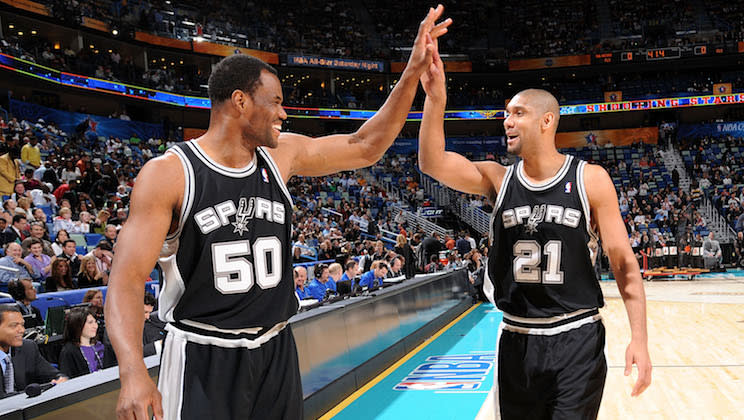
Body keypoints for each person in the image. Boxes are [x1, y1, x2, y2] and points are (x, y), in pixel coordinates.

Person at [106, 8, 451, 420]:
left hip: (277, 348)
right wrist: (133, 372)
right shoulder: (170, 174)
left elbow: (365, 145)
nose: (284, 113)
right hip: (204, 354)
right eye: (276, 102)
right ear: (240, 102)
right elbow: (125, 281)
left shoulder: (280, 155)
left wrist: (411, 71)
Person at [417, 59, 651, 418]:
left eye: (518, 113)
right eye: (506, 113)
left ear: (547, 121)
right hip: (517, 339)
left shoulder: (590, 179)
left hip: (577, 336)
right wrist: (435, 98)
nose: (507, 121)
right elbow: (432, 162)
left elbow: (623, 263)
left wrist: (640, 339)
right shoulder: (498, 179)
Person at [0, 305, 67, 399]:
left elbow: (54, 375)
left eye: (22, 325)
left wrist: (60, 380)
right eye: (14, 325)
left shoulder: (28, 348)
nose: (22, 330)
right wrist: (40, 390)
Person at [58, 308, 116, 378]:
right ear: (78, 325)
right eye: (90, 323)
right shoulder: (68, 352)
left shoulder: (100, 346)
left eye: (95, 322)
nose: (95, 326)